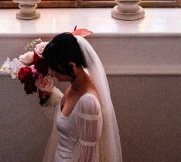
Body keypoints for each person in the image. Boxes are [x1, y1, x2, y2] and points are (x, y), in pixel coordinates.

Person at [42, 33, 123, 162]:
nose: (51, 73)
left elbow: (89, 156)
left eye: (54, 68)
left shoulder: (88, 101)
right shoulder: (76, 83)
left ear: (72, 66)